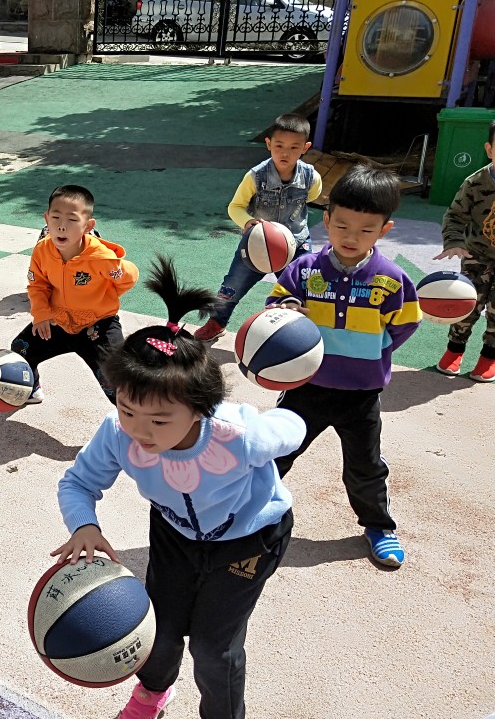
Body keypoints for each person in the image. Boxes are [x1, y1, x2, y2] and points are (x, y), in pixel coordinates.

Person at [54, 256, 303, 719]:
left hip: (250, 539)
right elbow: (78, 482)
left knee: (214, 646)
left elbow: (293, 428)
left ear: (200, 407)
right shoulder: (118, 433)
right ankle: (152, 691)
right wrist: (84, 524)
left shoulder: (238, 434)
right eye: (127, 409)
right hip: (174, 534)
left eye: (159, 419)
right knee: (159, 628)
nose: (139, 430)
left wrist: (277, 404)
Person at [267, 164, 422, 567]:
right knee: (275, 453)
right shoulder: (305, 270)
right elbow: (275, 305)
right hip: (306, 387)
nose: (351, 237)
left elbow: (405, 323)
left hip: (361, 393)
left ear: (384, 230)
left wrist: (373, 351)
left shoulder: (391, 279)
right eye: (342, 226)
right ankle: (245, 511)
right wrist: (286, 308)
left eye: (366, 230)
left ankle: (379, 527)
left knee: (365, 467)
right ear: (327, 220)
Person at [194, 112, 322, 342]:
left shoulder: (311, 177)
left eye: (294, 147)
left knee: (302, 289)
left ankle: (299, 332)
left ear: (305, 148)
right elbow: (235, 207)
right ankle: (217, 321)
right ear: (268, 143)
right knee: (232, 284)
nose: (285, 153)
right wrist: (247, 221)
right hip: (258, 243)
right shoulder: (255, 176)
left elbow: (312, 196)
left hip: (296, 243)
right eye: (279, 146)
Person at [11, 184, 139, 404]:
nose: (62, 226)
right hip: (57, 322)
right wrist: (41, 313)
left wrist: (107, 290)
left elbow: (128, 277)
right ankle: (31, 388)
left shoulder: (99, 256)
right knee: (20, 350)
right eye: (55, 218)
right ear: (46, 219)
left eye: (72, 220)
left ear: (87, 226)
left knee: (116, 378)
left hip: (97, 326)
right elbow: (38, 284)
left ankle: (134, 418)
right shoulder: (42, 250)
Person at [434, 119, 495, 382]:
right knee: (467, 304)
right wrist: (454, 242)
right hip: (476, 256)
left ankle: (489, 357)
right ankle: (454, 350)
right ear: (489, 150)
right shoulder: (476, 183)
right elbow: (455, 216)